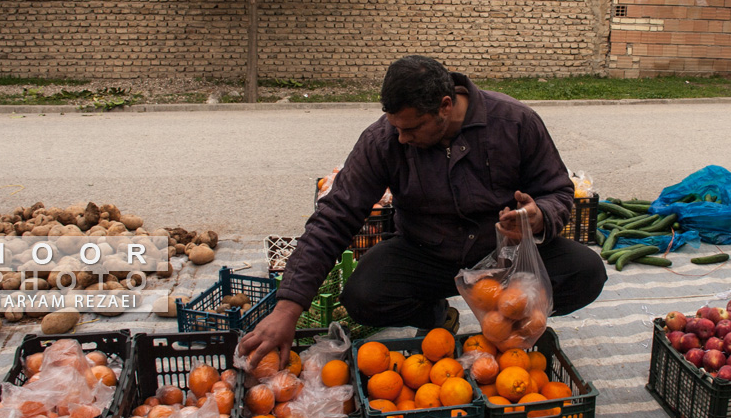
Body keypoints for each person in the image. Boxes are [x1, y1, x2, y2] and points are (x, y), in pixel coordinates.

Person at [239, 55, 606, 367]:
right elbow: (334, 216)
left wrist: (539, 216)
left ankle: (513, 326)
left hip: (502, 258)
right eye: (395, 127)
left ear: (445, 107)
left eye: (411, 128)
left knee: (586, 271)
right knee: (363, 295)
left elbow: (557, 190)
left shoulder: (515, 122)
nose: (401, 138)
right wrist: (287, 310)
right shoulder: (383, 140)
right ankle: (436, 317)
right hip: (425, 253)